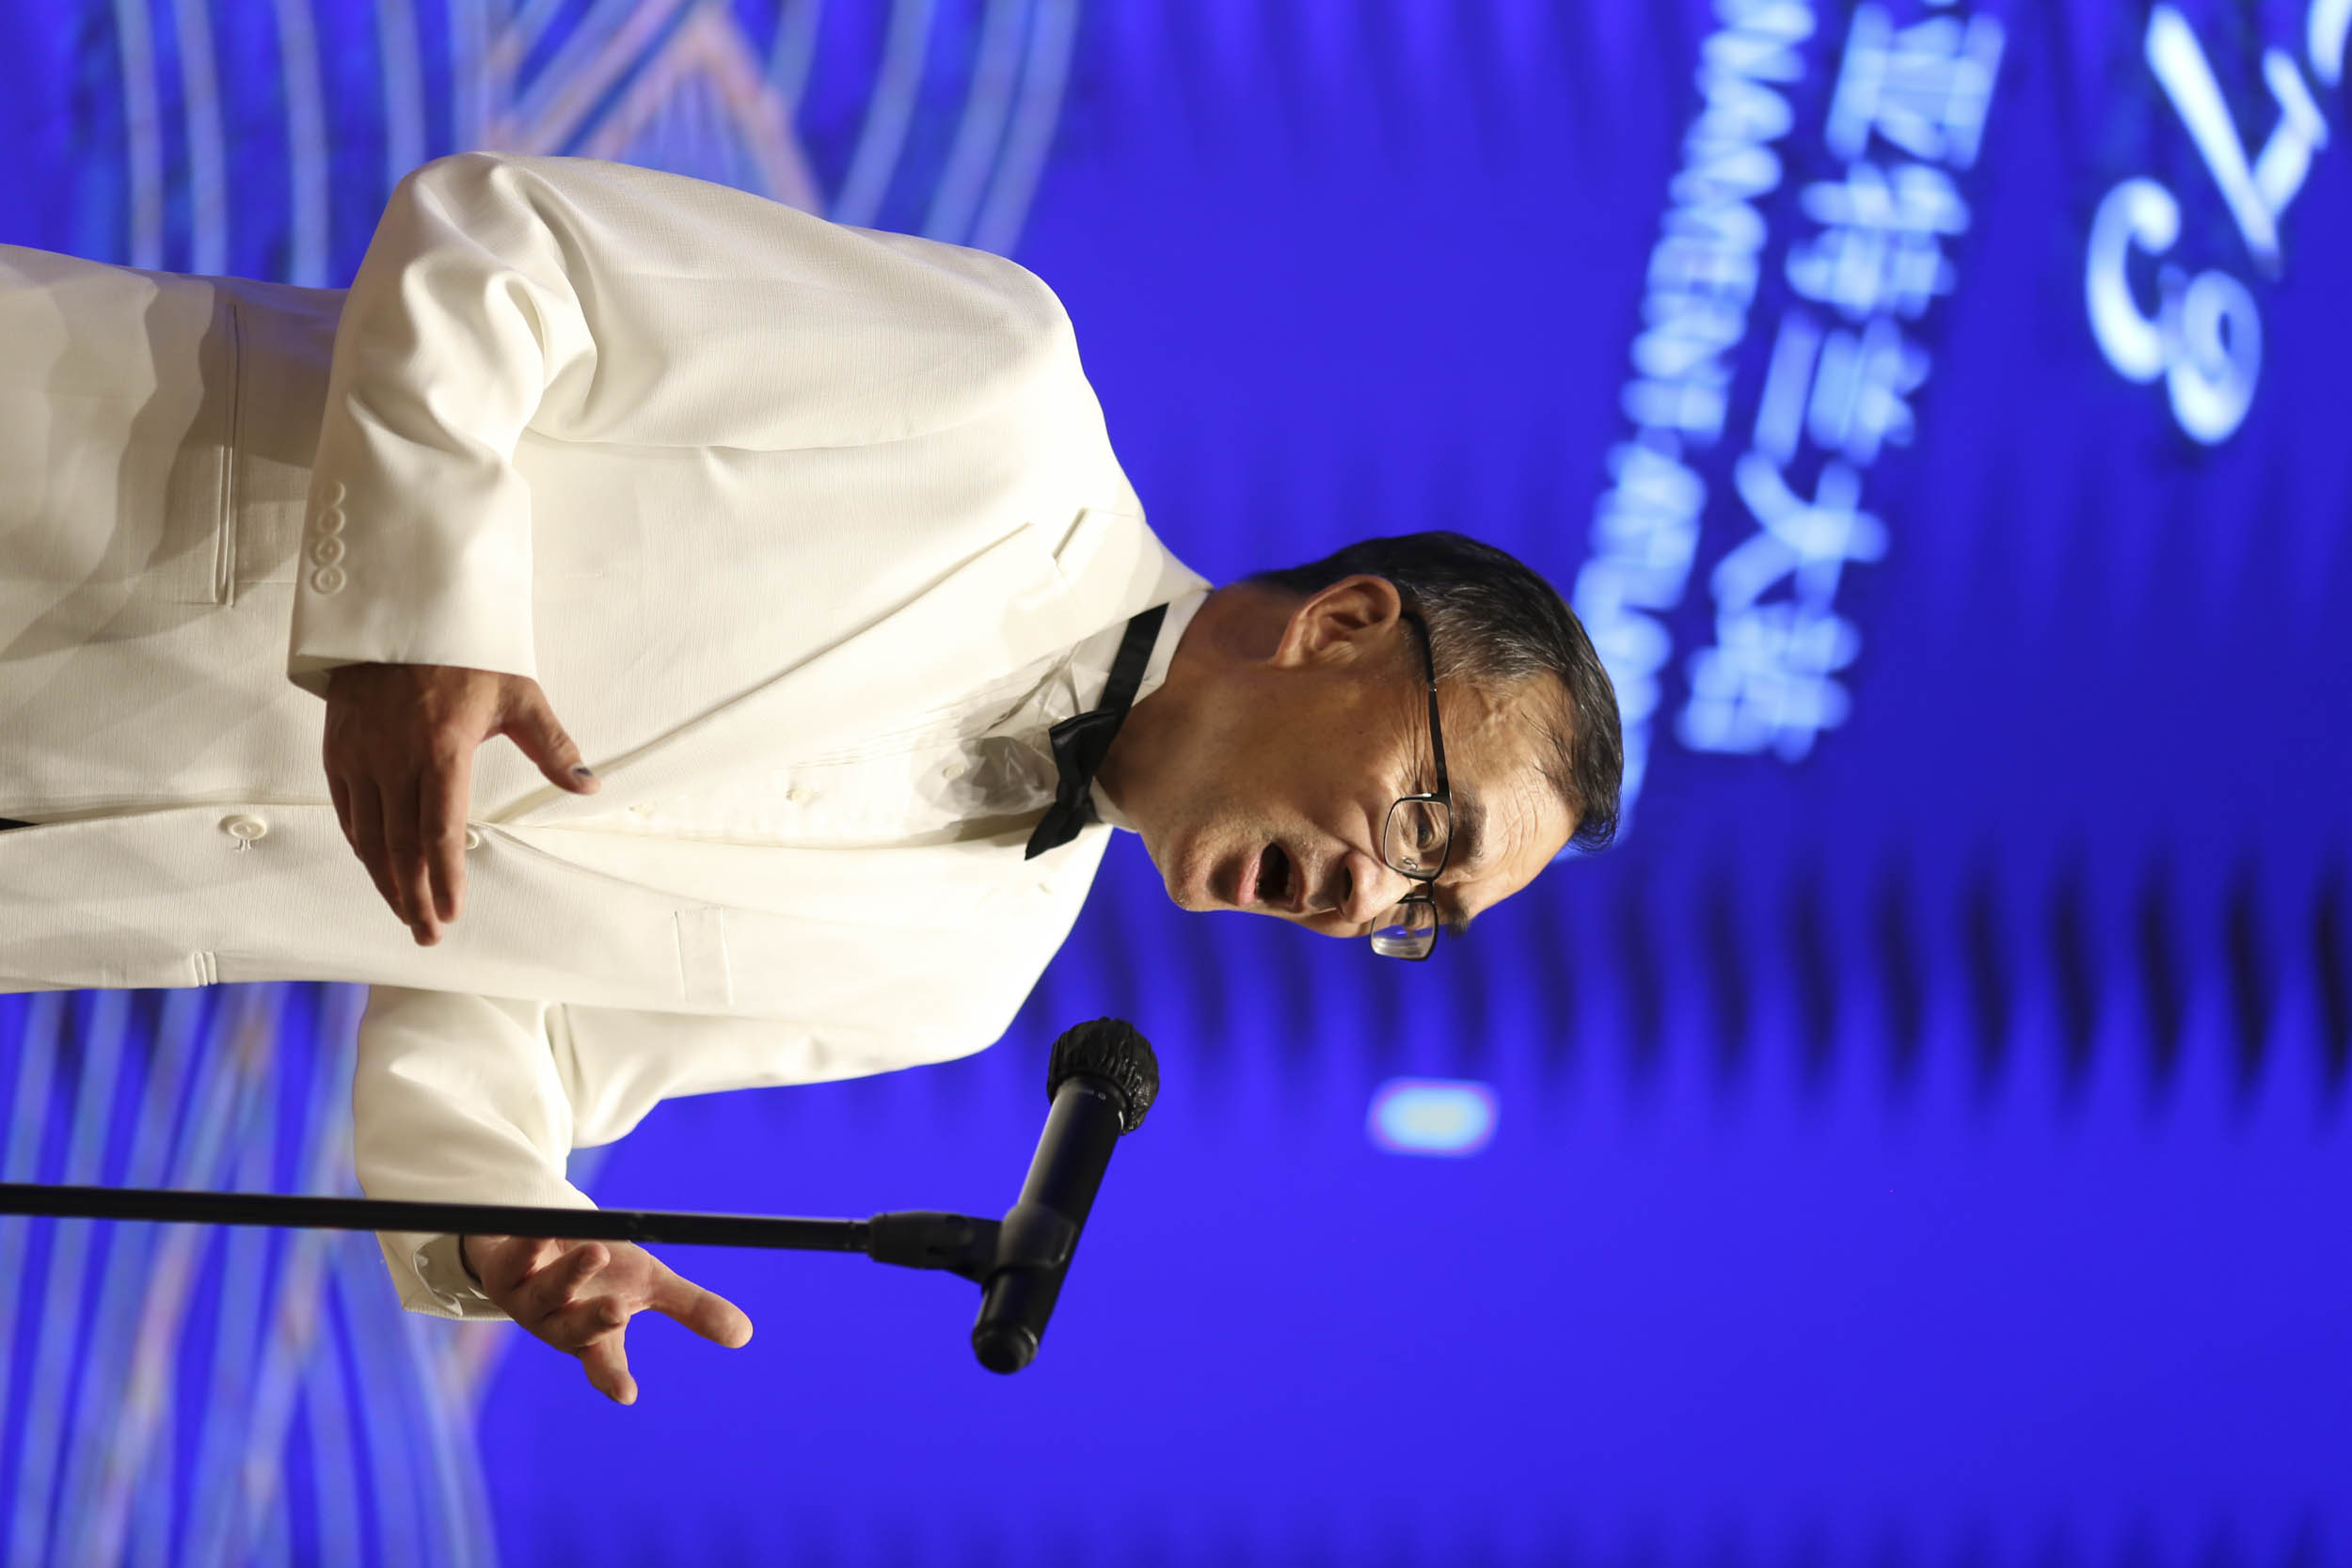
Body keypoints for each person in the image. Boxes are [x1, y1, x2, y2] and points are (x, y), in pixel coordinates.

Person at [0, 152, 1621, 1404]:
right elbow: (506, 244)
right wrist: (417, 622)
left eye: (1421, 914)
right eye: (1427, 825)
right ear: (1343, 626)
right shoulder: (997, 401)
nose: (1368, 900)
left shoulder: (960, 985)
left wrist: (510, 1213)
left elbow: (520, 1021)